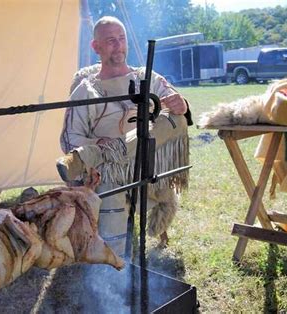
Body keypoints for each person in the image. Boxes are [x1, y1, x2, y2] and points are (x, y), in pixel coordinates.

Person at [57, 16, 192, 255]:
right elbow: (69, 137)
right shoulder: (86, 90)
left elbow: (178, 113)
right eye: (110, 40)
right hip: (109, 171)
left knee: (176, 118)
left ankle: (111, 150)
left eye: (121, 39)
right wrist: (95, 144)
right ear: (96, 47)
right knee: (110, 173)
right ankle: (114, 263)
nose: (118, 45)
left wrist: (182, 105)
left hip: (148, 165)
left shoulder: (147, 78)